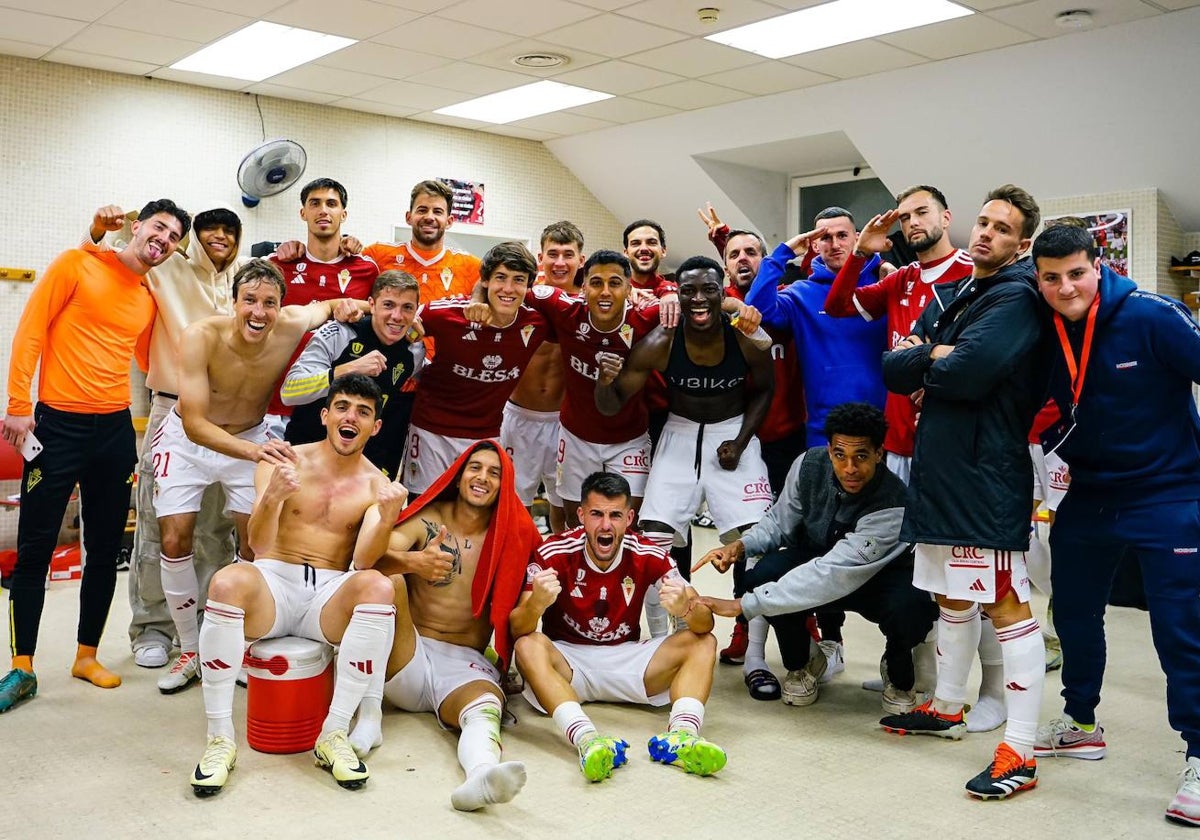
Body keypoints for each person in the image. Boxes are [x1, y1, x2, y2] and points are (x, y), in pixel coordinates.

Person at [878, 185, 1048, 801]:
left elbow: (969, 374)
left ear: (1021, 244)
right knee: (952, 598)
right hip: (941, 473)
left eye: (1002, 229)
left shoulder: (1018, 295)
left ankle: (1021, 751)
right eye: (983, 222)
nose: (985, 234)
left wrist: (934, 358)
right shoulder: (961, 292)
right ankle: (948, 705)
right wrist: (934, 355)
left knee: (1005, 606)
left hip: (984, 478)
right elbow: (895, 368)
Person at [1029, 223, 1200, 826]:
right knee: (1072, 612)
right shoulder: (1043, 325)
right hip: (1091, 494)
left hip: (1169, 493)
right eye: (1051, 277)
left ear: (1097, 265)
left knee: (1180, 628)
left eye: (1075, 272)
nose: (1065, 287)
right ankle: (1080, 723)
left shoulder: (1154, 316)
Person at [823, 186, 1005, 732]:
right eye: (904, 217)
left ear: (947, 217)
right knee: (925, 574)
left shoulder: (976, 274)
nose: (911, 223)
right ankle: (925, 679)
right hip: (901, 447)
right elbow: (837, 306)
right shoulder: (900, 278)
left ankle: (993, 691)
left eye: (921, 212)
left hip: (960, 448)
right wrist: (862, 249)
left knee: (983, 576)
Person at [0, 199, 190, 712]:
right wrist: (19, 406)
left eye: (174, 236)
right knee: (36, 550)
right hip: (56, 425)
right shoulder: (76, 263)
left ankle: (86, 655)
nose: (164, 238)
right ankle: (22, 667)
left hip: (112, 430)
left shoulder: (149, 297)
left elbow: (155, 361)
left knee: (105, 551)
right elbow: (30, 332)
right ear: (137, 226)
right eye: (158, 227)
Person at [152, 259, 366, 694]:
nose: (259, 312)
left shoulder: (291, 323)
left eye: (270, 303)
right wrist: (255, 451)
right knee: (175, 538)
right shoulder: (200, 336)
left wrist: (353, 304)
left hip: (250, 434)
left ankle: (246, 642)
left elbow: (326, 306)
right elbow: (194, 422)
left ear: (282, 307)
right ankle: (191, 649)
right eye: (249, 300)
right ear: (233, 302)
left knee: (257, 543)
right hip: (188, 439)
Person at [188, 374, 404, 796]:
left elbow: (361, 561)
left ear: (375, 427)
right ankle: (219, 739)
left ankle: (334, 733)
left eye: (363, 412)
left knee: (379, 586)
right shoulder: (282, 460)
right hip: (274, 580)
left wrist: (390, 516)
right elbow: (258, 544)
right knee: (226, 580)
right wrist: (271, 498)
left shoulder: (378, 484)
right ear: (325, 415)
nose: (351, 417)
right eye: (342, 407)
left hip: (328, 593)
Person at [83, 203, 245, 670]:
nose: (220, 237)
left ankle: (210, 628)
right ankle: (152, 629)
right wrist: (106, 226)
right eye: (210, 230)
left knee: (216, 531)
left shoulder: (240, 282)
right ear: (194, 236)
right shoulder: (168, 267)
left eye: (229, 231)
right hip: (171, 406)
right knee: (158, 525)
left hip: (225, 415)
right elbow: (112, 253)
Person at [696, 402, 937, 715]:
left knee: (915, 605)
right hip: (821, 560)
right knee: (764, 575)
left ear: (879, 453)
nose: (849, 467)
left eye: (861, 456)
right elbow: (780, 523)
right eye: (840, 455)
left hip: (877, 579)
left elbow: (834, 573)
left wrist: (744, 605)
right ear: (829, 449)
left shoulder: (894, 503)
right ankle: (806, 662)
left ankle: (898, 670)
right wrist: (741, 546)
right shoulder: (808, 465)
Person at [596, 255, 774, 638]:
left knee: (757, 544)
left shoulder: (742, 333)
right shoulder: (662, 341)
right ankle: (663, 637)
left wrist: (741, 441)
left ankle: (754, 654)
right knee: (653, 542)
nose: (699, 299)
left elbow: (764, 389)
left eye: (709, 290)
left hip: (732, 431)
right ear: (677, 293)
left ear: (721, 291)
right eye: (688, 291)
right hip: (679, 434)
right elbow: (612, 404)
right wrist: (602, 382)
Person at [359, 441, 543, 811]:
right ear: (458, 477)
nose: (483, 478)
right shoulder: (428, 517)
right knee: (388, 583)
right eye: (475, 468)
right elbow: (369, 561)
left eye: (495, 473)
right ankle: (368, 716)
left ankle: (481, 774)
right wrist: (415, 563)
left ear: (504, 486)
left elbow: (520, 622)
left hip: (462, 662)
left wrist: (539, 601)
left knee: (486, 706)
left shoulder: (514, 532)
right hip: (405, 652)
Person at [510, 472, 726, 782]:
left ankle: (681, 737)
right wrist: (536, 604)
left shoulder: (649, 552)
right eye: (596, 514)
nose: (605, 525)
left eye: (615, 515)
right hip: (569, 665)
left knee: (703, 642)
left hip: (628, 658)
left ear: (629, 518)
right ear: (581, 515)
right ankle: (587, 740)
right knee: (527, 646)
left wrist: (687, 610)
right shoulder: (551, 552)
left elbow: (705, 624)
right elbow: (518, 628)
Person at [699, 211, 807, 671]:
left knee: (797, 535)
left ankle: (810, 623)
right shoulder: (715, 309)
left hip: (789, 438)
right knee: (746, 538)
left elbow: (761, 299)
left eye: (752, 253)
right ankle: (745, 623)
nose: (744, 259)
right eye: (734, 255)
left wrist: (731, 240)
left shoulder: (786, 303)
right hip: (741, 442)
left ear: (767, 261)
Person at [400, 242, 551, 495]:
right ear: (485, 281)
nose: (508, 289)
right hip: (431, 431)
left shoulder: (536, 323)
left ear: (528, 286)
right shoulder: (447, 313)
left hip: (486, 435)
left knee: (476, 518)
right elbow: (400, 323)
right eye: (500, 278)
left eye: (518, 280)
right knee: (423, 511)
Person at [745, 207, 888, 449]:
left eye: (842, 235)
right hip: (824, 431)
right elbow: (757, 308)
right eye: (825, 237)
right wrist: (784, 253)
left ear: (857, 237)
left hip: (885, 426)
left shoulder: (885, 283)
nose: (835, 244)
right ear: (814, 245)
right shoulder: (801, 294)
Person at [281, 270, 423, 478]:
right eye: (388, 305)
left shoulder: (414, 351)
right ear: (371, 305)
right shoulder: (339, 333)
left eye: (407, 308)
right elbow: (290, 391)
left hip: (360, 462)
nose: (397, 316)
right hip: (307, 450)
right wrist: (347, 369)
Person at [499, 221, 588, 533]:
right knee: (513, 503)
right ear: (541, 258)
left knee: (563, 504)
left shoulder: (591, 306)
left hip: (564, 421)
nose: (560, 262)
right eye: (553, 254)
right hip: (517, 415)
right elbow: (484, 288)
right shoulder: (522, 296)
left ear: (581, 259)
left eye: (568, 254)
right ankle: (518, 570)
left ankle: (559, 566)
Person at [364, 179, 481, 303]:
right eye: (422, 210)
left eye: (437, 212)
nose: (429, 217)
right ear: (409, 217)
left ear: (449, 221)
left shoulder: (472, 267)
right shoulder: (376, 254)